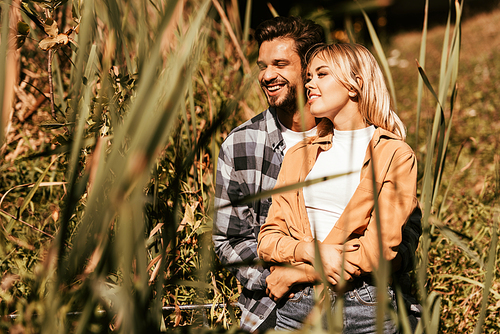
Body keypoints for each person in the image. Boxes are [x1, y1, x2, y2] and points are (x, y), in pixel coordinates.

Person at [213, 16, 421, 333]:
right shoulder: (248, 146)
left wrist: (302, 272)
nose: (267, 75)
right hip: (281, 301)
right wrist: (285, 272)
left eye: (280, 64)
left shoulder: (390, 152)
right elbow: (241, 238)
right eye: (262, 65)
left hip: (363, 299)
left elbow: (394, 241)